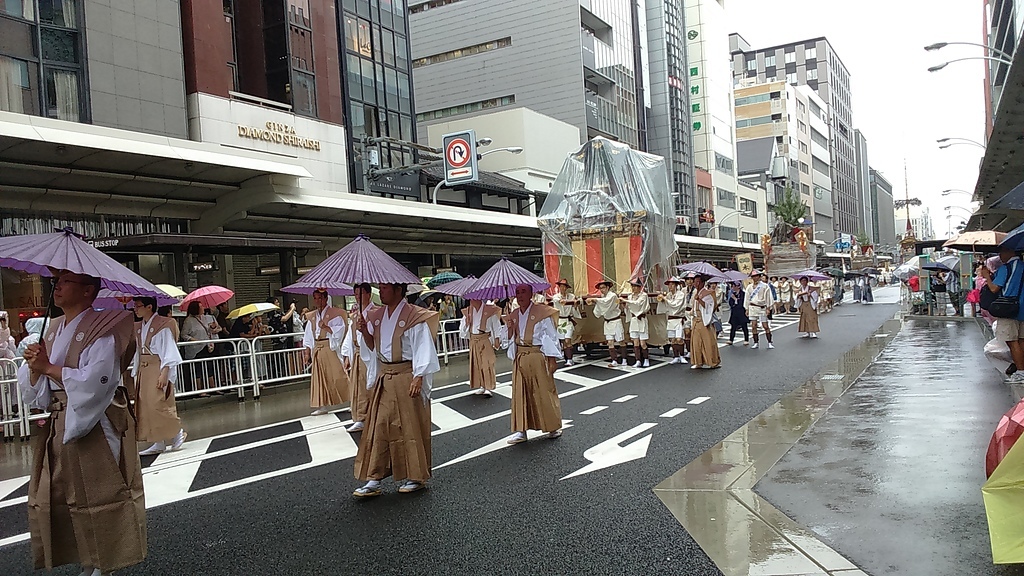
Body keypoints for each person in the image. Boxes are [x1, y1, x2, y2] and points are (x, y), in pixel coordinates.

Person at [18, 272, 145, 575]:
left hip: (94, 420)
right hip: (63, 417)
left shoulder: (102, 329)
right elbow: (34, 391)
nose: (57, 287)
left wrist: (48, 367)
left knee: (99, 489)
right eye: (56, 281)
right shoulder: (52, 329)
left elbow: (98, 380)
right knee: (65, 493)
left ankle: (105, 563)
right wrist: (35, 368)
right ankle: (89, 559)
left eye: (66, 281)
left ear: (88, 291)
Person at [353, 282, 440, 497]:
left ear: (399, 290)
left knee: (409, 426)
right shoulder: (378, 316)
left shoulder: (413, 316)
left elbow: (423, 346)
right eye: (380, 288)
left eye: (385, 288)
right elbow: (373, 347)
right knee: (379, 426)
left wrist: (419, 375)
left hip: (406, 375)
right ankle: (374, 477)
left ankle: (416, 476)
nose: (381, 291)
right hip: (386, 375)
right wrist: (364, 332)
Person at [504, 283, 564, 444]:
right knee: (520, 393)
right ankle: (521, 430)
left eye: (523, 291)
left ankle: (552, 426)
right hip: (521, 355)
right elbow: (508, 340)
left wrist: (552, 359)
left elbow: (551, 337)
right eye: (517, 292)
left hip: (537, 354)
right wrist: (509, 328)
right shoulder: (514, 314)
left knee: (543, 391)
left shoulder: (542, 312)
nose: (520, 295)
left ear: (531, 294)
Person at [133, 296, 186, 455]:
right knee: (146, 405)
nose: (135, 309)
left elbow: (169, 350)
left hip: (157, 366)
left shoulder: (161, 325)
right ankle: (158, 441)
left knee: (158, 403)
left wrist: (165, 373)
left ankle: (177, 431)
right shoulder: (139, 326)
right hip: (145, 367)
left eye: (138, 306)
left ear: (149, 307)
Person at [302, 289, 351, 416]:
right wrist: (307, 352)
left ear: (325, 298)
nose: (317, 301)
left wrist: (326, 327)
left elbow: (340, 331)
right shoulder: (312, 316)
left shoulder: (335, 313)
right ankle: (322, 405)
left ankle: (352, 399)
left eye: (320, 298)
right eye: (315, 298)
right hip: (318, 347)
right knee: (319, 378)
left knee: (338, 375)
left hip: (330, 346)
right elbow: (308, 335)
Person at [979, 246, 1024, 383]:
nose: (1000, 256)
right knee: (1022, 340)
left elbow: (994, 288)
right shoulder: (1022, 265)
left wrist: (987, 276)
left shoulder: (1006, 268)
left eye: (1001, 252)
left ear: (1010, 252)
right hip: (1023, 308)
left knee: (1012, 341)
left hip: (1008, 309)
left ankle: (1021, 372)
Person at [341, 284, 376, 432]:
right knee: (358, 386)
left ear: (368, 294)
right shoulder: (355, 315)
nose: (357, 296)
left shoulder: (376, 313)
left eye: (360, 293)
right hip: (357, 353)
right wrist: (347, 355)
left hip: (371, 353)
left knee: (369, 385)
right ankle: (360, 417)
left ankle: (369, 416)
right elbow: (350, 336)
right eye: (355, 293)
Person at [458, 296, 502, 397]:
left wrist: (497, 339)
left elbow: (496, 325)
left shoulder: (489, 310)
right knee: (477, 364)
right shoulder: (468, 312)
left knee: (487, 363)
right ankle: (481, 385)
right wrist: (467, 324)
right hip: (474, 340)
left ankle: (488, 387)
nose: (472, 300)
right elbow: (462, 329)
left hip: (485, 339)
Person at [587, 280, 625, 367]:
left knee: (621, 341)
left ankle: (624, 359)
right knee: (610, 342)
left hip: (616, 321)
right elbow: (601, 303)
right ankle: (614, 360)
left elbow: (605, 302)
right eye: (600, 288)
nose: (602, 290)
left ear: (608, 287)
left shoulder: (612, 295)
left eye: (603, 287)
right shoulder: (602, 297)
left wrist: (595, 299)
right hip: (607, 322)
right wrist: (595, 300)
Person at [689, 275, 721, 369]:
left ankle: (713, 362)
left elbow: (709, 306)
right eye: (695, 282)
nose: (696, 284)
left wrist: (699, 299)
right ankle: (698, 362)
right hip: (696, 319)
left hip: (704, 319)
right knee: (696, 342)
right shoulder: (695, 292)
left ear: (703, 283)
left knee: (708, 342)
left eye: (698, 282)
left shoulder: (708, 293)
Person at [550, 279, 581, 366]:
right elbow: (558, 301)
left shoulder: (571, 296)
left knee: (568, 340)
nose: (562, 288)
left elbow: (576, 302)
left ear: (566, 288)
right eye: (561, 286)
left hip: (568, 321)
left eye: (564, 286)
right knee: (563, 341)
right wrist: (563, 301)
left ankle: (570, 359)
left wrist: (575, 303)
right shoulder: (556, 296)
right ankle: (567, 358)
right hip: (560, 321)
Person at [657, 278, 688, 363]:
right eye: (669, 285)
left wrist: (665, 299)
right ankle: (675, 356)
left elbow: (675, 305)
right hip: (670, 318)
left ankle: (682, 356)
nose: (670, 286)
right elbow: (665, 306)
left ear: (676, 285)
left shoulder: (680, 294)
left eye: (672, 284)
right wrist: (662, 299)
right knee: (673, 339)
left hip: (678, 318)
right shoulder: (669, 295)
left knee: (679, 338)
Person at [623, 279, 651, 367]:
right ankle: (638, 360)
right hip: (634, 320)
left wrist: (626, 301)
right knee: (635, 342)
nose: (634, 288)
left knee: (642, 342)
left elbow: (637, 303)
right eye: (632, 286)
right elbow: (629, 307)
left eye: (635, 286)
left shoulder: (644, 295)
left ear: (640, 287)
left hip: (641, 319)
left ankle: (646, 359)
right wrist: (624, 305)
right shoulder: (630, 296)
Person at [745, 270, 776, 350]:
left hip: (762, 307)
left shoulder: (765, 286)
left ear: (759, 277)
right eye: (753, 276)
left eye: (756, 276)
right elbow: (747, 298)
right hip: (752, 307)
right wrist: (746, 308)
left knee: (765, 326)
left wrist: (768, 308)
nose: (755, 278)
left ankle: (769, 342)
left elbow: (768, 297)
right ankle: (756, 342)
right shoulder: (749, 287)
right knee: (753, 326)